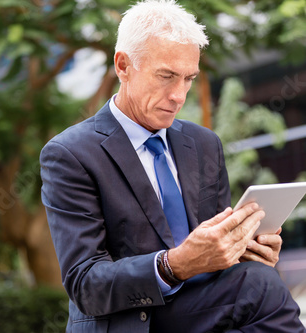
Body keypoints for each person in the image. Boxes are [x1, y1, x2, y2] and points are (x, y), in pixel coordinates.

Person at [39, 0, 306, 332]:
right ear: (123, 65)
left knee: (259, 278)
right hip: (133, 318)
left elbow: (215, 248)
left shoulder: (204, 144)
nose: (179, 95)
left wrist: (243, 248)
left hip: (205, 307)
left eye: (188, 78)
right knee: (260, 287)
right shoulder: (70, 154)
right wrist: (173, 265)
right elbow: (85, 285)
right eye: (166, 76)